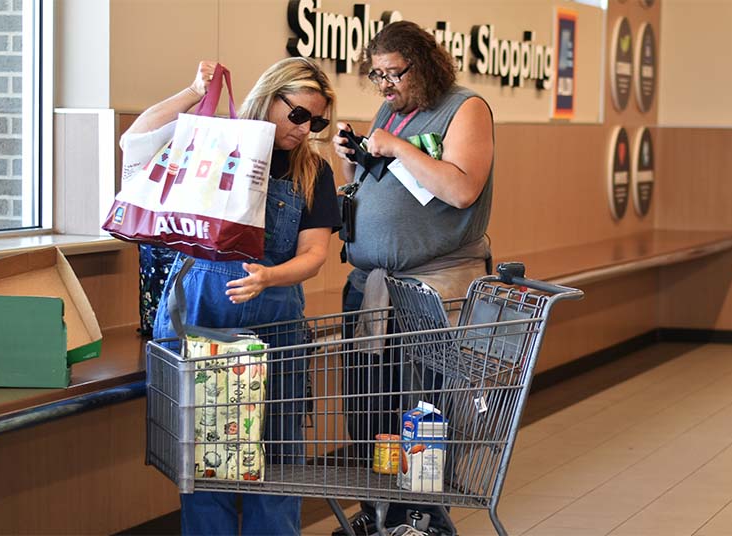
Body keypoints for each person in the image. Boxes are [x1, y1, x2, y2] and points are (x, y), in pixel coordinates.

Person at [127, 57, 341, 535]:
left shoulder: (314, 172)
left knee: (280, 454)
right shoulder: (216, 137)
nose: (305, 130)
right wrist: (191, 90)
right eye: (299, 115)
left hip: (277, 315)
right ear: (269, 97)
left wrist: (268, 277)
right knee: (208, 457)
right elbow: (136, 140)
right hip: (204, 312)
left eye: (318, 121)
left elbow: (313, 253)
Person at [330, 20, 495, 536]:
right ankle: (379, 512)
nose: (383, 85)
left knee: (423, 412)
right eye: (375, 75)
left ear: (422, 65)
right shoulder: (391, 111)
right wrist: (352, 159)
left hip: (430, 290)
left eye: (393, 73)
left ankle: (421, 517)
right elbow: (380, 190)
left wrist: (399, 148)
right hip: (372, 286)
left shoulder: (464, 107)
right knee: (371, 409)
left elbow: (462, 189)